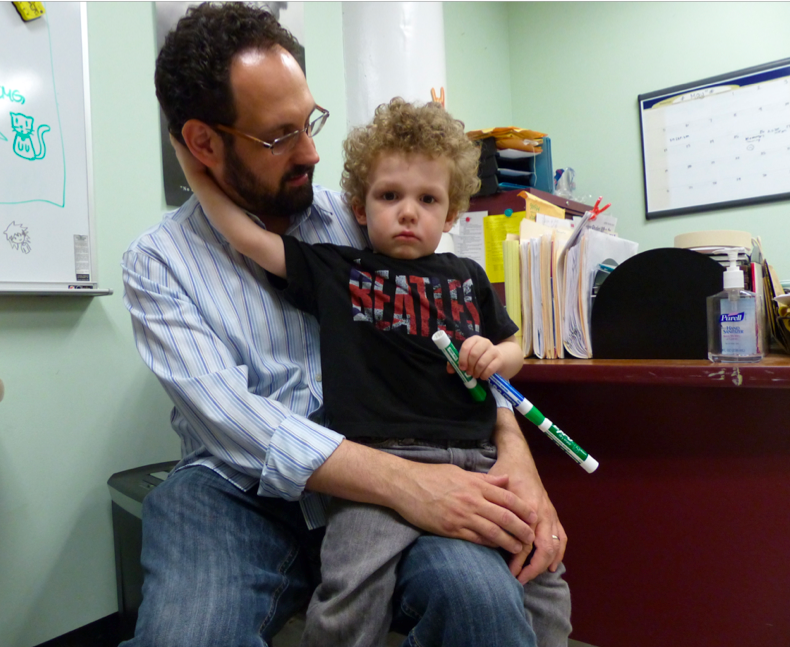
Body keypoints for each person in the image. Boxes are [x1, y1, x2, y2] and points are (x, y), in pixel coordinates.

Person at [121, 3, 571, 646]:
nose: (311, 151)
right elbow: (242, 425)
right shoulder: (157, 264)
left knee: (483, 604)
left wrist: (513, 457)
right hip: (237, 490)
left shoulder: (366, 218)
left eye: (310, 122)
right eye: (279, 136)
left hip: (410, 462)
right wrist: (409, 482)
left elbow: (449, 344)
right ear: (202, 144)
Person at [173, 96, 539, 647]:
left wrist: (497, 356)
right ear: (360, 209)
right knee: (350, 591)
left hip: (473, 462)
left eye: (427, 199)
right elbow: (247, 239)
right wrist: (195, 173)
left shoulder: (468, 276)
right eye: (389, 196)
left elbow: (516, 347)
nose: (408, 211)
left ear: (452, 212)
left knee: (538, 577)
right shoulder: (339, 268)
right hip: (376, 465)